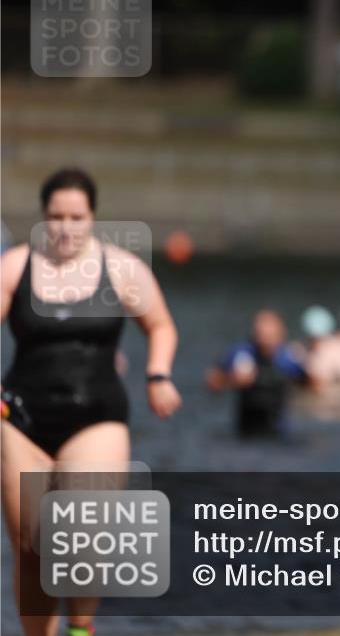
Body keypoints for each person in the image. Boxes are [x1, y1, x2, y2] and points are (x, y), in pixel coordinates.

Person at [1, 167, 182, 636]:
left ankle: (81, 628)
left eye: (76, 217)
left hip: (96, 418)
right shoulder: (14, 266)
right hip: (20, 418)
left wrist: (157, 374)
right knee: (31, 544)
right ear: (43, 217)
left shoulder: (122, 268)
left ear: (92, 218)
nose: (66, 227)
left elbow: (160, 324)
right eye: (56, 216)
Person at [205, 309, 307, 438]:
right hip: (246, 431)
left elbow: (311, 383)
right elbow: (211, 381)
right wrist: (232, 379)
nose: (266, 342)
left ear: (281, 335)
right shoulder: (242, 353)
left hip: (279, 432)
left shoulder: (289, 356)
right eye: (262, 335)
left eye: (270, 336)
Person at [300, 305, 340, 412]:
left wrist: (331, 392)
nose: (315, 342)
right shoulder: (299, 350)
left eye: (318, 338)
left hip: (335, 404)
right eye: (311, 338)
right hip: (310, 403)